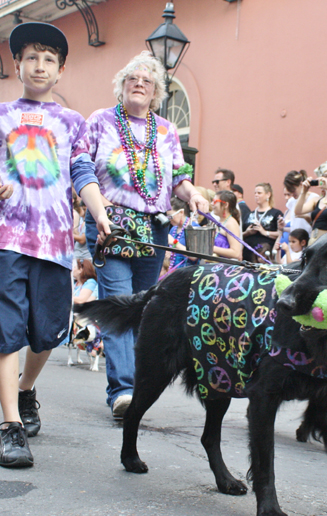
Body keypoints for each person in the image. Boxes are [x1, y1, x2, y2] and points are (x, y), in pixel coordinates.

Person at [0, 23, 112, 467]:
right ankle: (10, 427)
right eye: (32, 57)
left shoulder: (73, 122)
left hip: (55, 244)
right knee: (8, 330)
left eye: (49, 59)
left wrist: (100, 212)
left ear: (61, 70)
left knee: (47, 333)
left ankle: (26, 390)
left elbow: (83, 173)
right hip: (6, 240)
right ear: (18, 65)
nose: (40, 66)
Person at [82, 50, 208, 419]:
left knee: (143, 307)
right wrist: (97, 207)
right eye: (132, 79)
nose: (139, 84)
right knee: (120, 301)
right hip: (113, 225)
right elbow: (82, 169)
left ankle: (139, 384)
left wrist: (195, 196)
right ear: (121, 87)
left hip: (154, 227)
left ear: (155, 93)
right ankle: (123, 392)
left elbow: (179, 178)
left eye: (147, 81)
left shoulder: (166, 129)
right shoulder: (101, 121)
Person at [241, 182, 283, 262]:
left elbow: (281, 234)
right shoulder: (249, 214)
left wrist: (265, 232)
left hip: (265, 254)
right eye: (255, 193)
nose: (256, 195)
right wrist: (247, 232)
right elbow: (239, 234)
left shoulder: (276, 213)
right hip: (248, 254)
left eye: (259, 193)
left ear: (268, 195)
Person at [164, 197, 200, 272]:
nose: (169, 219)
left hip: (188, 273)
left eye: (170, 216)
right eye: (167, 217)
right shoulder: (173, 229)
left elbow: (194, 256)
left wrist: (175, 243)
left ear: (181, 212)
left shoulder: (193, 228)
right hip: (173, 273)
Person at [211, 190, 242, 261]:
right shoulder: (219, 221)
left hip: (224, 268)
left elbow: (236, 252)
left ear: (225, 205)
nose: (212, 204)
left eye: (215, 201)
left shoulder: (231, 223)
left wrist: (211, 248)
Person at [281, 169, 314, 235]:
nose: (292, 194)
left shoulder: (313, 198)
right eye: (290, 191)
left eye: (293, 190)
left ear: (301, 184)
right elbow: (294, 224)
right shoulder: (292, 201)